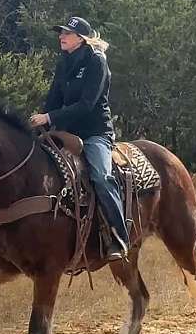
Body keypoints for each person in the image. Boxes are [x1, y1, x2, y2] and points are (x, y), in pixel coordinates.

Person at [29, 16, 129, 260]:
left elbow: (87, 105)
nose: (61, 37)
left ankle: (118, 236)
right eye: (60, 33)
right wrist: (38, 123)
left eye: (66, 33)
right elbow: (53, 98)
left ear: (81, 38)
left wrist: (49, 117)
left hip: (95, 132)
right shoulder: (64, 63)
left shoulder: (96, 62)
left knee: (101, 178)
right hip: (65, 131)